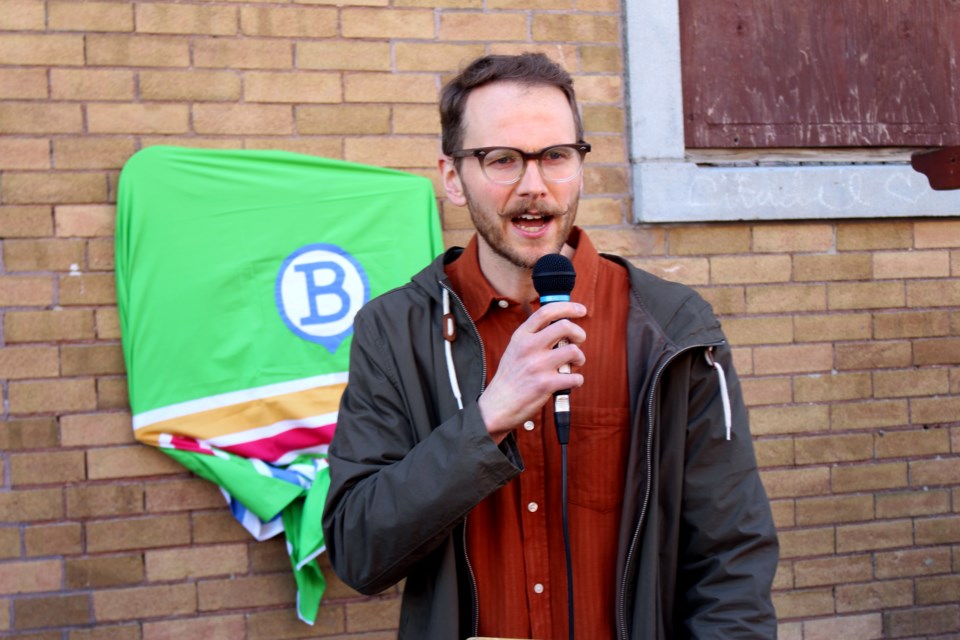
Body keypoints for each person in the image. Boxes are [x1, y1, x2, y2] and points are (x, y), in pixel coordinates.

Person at [322, 52, 779, 639]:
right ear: (453, 177)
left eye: (556, 157)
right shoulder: (394, 331)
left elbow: (730, 558)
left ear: (580, 166)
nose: (533, 187)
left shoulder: (671, 328)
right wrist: (486, 421)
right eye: (502, 160)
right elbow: (359, 554)